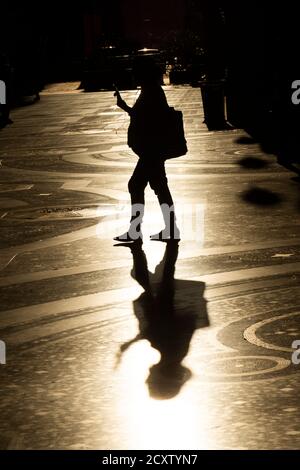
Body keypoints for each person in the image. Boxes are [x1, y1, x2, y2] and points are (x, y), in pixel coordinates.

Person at [113, 59, 180, 242]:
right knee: (159, 187)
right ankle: (170, 229)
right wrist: (125, 107)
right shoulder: (151, 91)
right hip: (153, 149)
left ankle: (136, 231)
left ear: (144, 75)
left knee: (136, 185)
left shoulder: (151, 92)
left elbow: (146, 119)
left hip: (152, 150)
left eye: (136, 73)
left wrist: (125, 107)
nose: (134, 76)